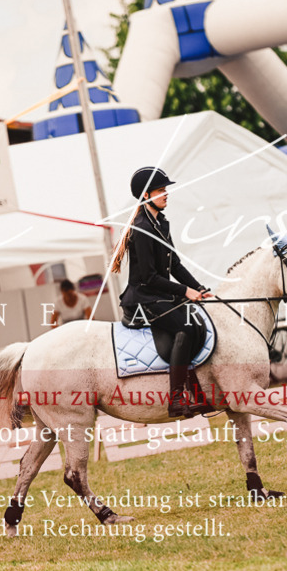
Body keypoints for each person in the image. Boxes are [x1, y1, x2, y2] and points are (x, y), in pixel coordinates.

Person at [111, 167, 212, 418]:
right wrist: (184, 291)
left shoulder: (161, 223)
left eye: (165, 189)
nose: (166, 194)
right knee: (185, 327)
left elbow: (174, 264)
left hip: (159, 294)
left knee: (197, 322)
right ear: (147, 195)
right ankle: (177, 399)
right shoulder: (142, 227)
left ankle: (198, 395)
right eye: (160, 190)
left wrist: (198, 288)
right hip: (142, 298)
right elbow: (148, 277)